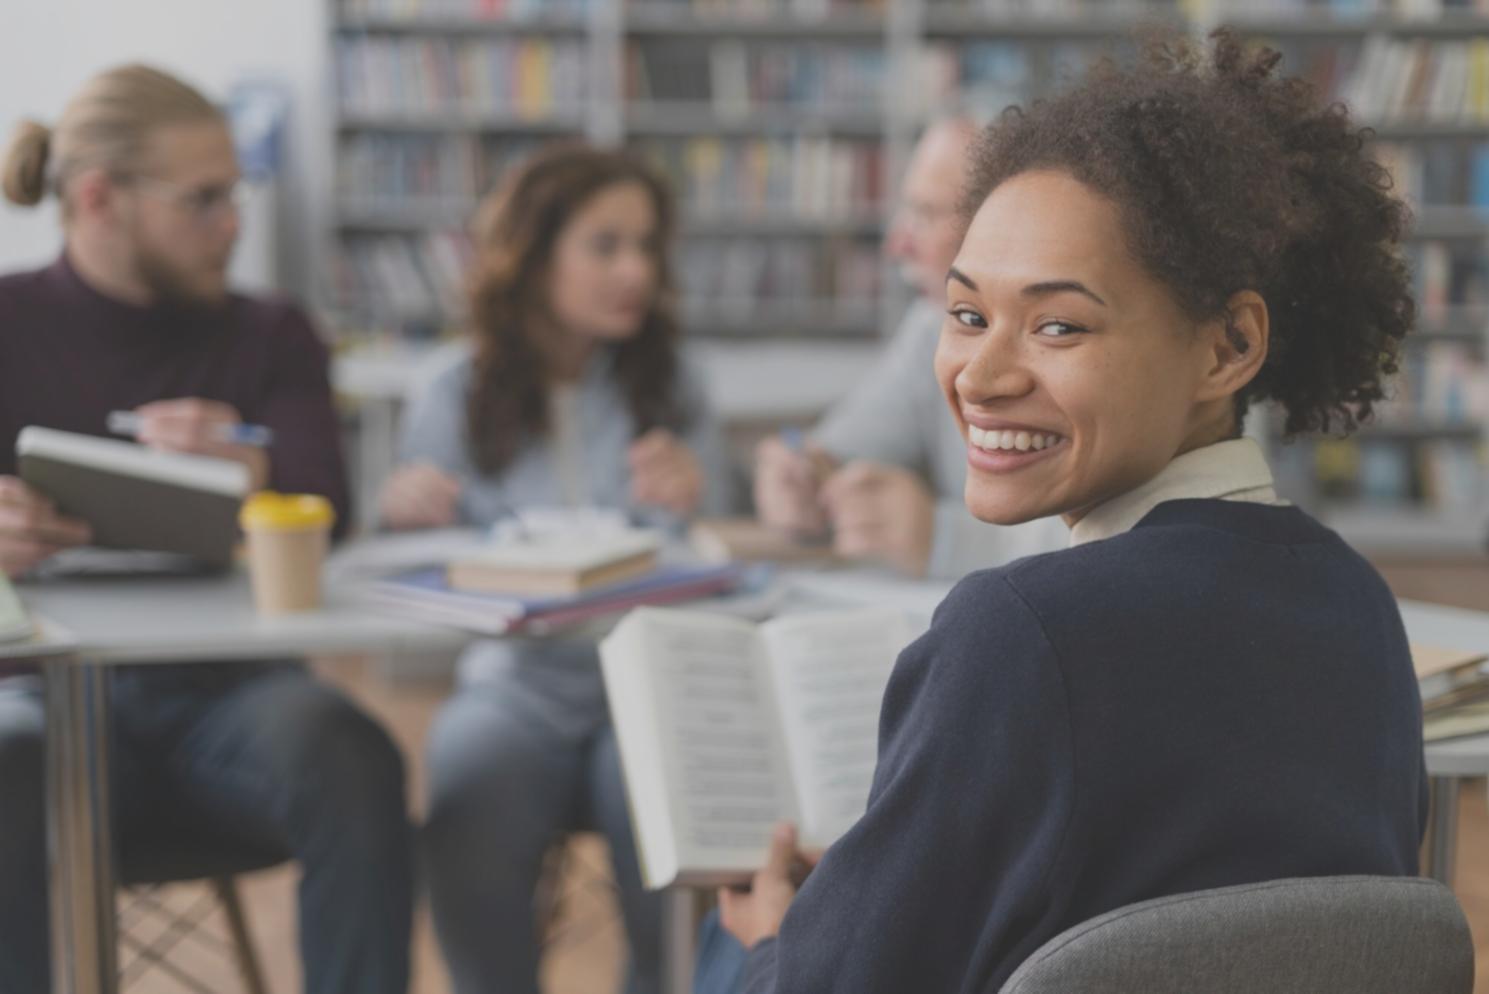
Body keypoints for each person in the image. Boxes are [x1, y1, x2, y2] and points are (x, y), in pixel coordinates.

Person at [699, 31, 1425, 994]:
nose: (982, 376)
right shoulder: (1358, 605)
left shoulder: (1021, 633)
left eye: (1057, 326)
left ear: (1227, 346)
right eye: (965, 315)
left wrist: (766, 945)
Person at [0, 65, 412, 994]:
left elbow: (328, 501)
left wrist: (255, 468)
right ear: (99, 199)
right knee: (6, 756)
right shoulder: (7, 322)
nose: (234, 223)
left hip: (225, 697)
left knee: (348, 752)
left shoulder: (270, 333)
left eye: (236, 194)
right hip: (36, 690)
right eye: (205, 200)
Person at [380, 144, 732, 994]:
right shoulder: (449, 391)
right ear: (534, 257)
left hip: (648, 679)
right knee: (466, 778)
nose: (635, 271)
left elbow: (731, 559)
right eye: (605, 245)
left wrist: (699, 503)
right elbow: (407, 567)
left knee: (664, 808)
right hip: (514, 684)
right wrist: (400, 512)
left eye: (646, 246)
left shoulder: (676, 386)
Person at [753, 118, 1066, 579]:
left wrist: (944, 538)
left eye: (925, 213)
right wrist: (799, 477)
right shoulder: (928, 327)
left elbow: (1115, 543)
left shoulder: (1079, 356)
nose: (897, 244)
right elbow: (838, 454)